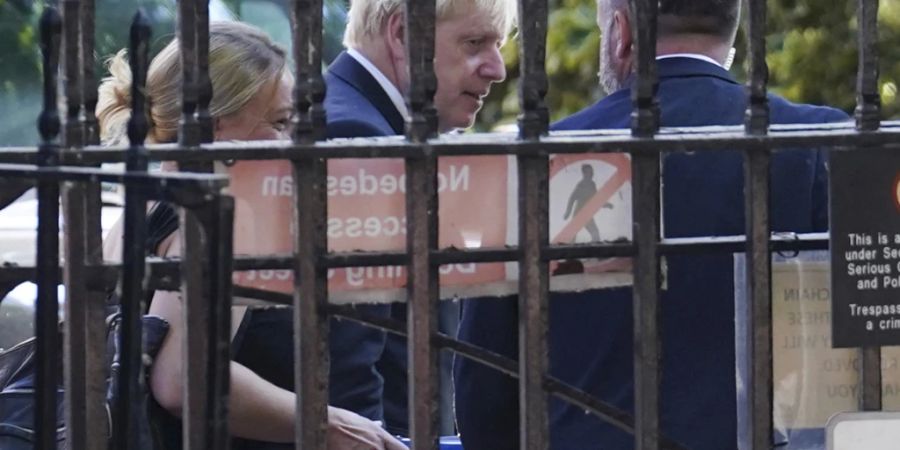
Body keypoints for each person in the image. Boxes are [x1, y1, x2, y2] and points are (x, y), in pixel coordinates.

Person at [454, 0, 849, 449]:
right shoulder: (816, 141)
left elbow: (484, 386)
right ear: (733, 34)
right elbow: (864, 347)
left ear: (621, 33)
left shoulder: (534, 161)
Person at [98, 21, 405, 450]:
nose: (295, 138)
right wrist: (330, 425)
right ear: (215, 124)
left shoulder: (144, 208)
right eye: (280, 122)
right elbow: (185, 380)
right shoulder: (220, 217)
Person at [325, 0, 514, 435]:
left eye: (497, 45)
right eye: (474, 43)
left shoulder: (372, 123)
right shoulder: (359, 136)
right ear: (402, 34)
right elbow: (347, 359)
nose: (497, 68)